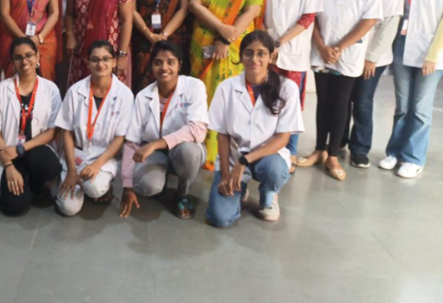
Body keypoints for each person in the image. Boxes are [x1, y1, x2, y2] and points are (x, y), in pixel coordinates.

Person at [298, 0, 382, 181]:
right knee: (323, 101)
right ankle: (318, 149)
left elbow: (370, 19)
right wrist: (322, 47)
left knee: (341, 103)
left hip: (348, 52)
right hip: (321, 50)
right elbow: (311, 14)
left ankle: (333, 155)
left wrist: (339, 47)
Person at [189, 0, 266, 169]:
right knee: (203, 96)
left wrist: (226, 38)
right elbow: (194, 3)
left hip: (236, 46)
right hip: (204, 42)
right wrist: (220, 28)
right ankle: (202, 150)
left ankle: (227, 152)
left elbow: (252, 9)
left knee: (230, 98)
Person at [205, 31, 304, 227]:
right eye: (248, 53)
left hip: (268, 156)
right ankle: (239, 187)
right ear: (241, 56)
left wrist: (245, 161)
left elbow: (283, 138)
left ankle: (269, 193)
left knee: (274, 170)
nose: (254, 59)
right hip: (234, 157)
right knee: (219, 218)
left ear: (271, 57)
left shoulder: (287, 88)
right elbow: (222, 136)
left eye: (261, 53)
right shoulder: (226, 87)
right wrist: (225, 175)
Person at [380, 0, 443, 178]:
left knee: (420, 108)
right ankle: (395, 152)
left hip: (432, 51)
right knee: (403, 105)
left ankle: (414, 158)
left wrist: (432, 55)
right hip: (402, 47)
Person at [119, 41, 208, 220]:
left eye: (170, 62)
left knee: (188, 152)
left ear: (179, 65)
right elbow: (132, 141)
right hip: (156, 153)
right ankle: (161, 175)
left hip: (182, 149)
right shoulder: (143, 96)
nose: (164, 68)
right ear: (151, 66)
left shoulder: (194, 86)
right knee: (148, 187)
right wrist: (127, 187)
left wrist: (154, 144)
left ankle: (182, 193)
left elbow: (197, 130)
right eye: (158, 62)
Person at [341, 0, 403, 168]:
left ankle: (359, 148)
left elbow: (389, 23)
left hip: (372, 57)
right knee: (343, 99)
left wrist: (371, 57)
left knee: (362, 101)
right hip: (348, 50)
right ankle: (338, 141)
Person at [0, 37, 63, 215]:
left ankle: (34, 183)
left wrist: (21, 148)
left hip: (34, 149)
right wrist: (9, 166)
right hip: (8, 152)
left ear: (38, 56)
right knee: (14, 207)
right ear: (12, 61)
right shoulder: (1, 89)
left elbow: (52, 132)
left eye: (29, 55)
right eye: (18, 57)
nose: (24, 61)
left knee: (50, 167)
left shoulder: (51, 89)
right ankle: (24, 182)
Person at [263, 0, 322, 171]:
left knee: (292, 103)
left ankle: (290, 151)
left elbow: (308, 17)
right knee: (268, 99)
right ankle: (267, 146)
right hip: (269, 48)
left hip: (293, 49)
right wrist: (268, 43)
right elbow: (262, 8)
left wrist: (280, 43)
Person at [55, 41, 133, 216]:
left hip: (103, 156)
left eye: (106, 59)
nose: (100, 64)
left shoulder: (125, 95)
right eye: (95, 59)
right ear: (88, 63)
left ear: (114, 62)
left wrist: (97, 165)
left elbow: (120, 137)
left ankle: (98, 189)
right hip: (76, 155)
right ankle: (74, 180)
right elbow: (66, 132)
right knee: (68, 209)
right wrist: (72, 171)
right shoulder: (75, 91)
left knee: (95, 188)